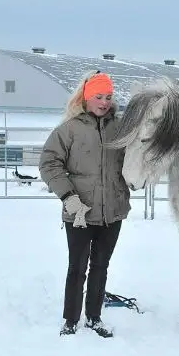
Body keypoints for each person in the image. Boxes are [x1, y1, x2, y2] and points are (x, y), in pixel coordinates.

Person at [39, 71, 131, 338]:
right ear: (86, 97)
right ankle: (71, 320)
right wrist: (69, 197)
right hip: (80, 212)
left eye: (109, 97)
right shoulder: (69, 130)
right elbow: (49, 163)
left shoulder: (121, 128)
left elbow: (134, 159)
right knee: (77, 267)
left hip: (112, 211)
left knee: (101, 266)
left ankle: (94, 317)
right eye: (99, 97)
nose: (104, 102)